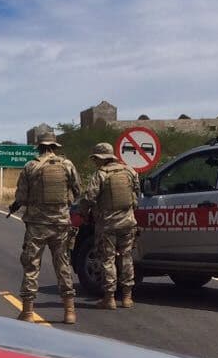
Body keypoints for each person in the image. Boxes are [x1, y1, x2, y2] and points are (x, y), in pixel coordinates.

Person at [9, 131, 80, 324]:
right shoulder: (67, 165)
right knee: (63, 266)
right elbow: (77, 190)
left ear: (38, 147)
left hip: (37, 226)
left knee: (31, 267)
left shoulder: (30, 166)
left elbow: (21, 197)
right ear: (55, 147)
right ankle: (69, 311)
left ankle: (28, 312)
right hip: (61, 225)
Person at [79, 142, 140, 309]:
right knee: (126, 257)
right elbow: (137, 197)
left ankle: (110, 297)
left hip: (107, 225)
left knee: (108, 259)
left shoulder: (100, 174)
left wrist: (83, 213)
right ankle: (127, 297)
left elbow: (89, 197)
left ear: (100, 158)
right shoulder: (130, 171)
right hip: (128, 222)